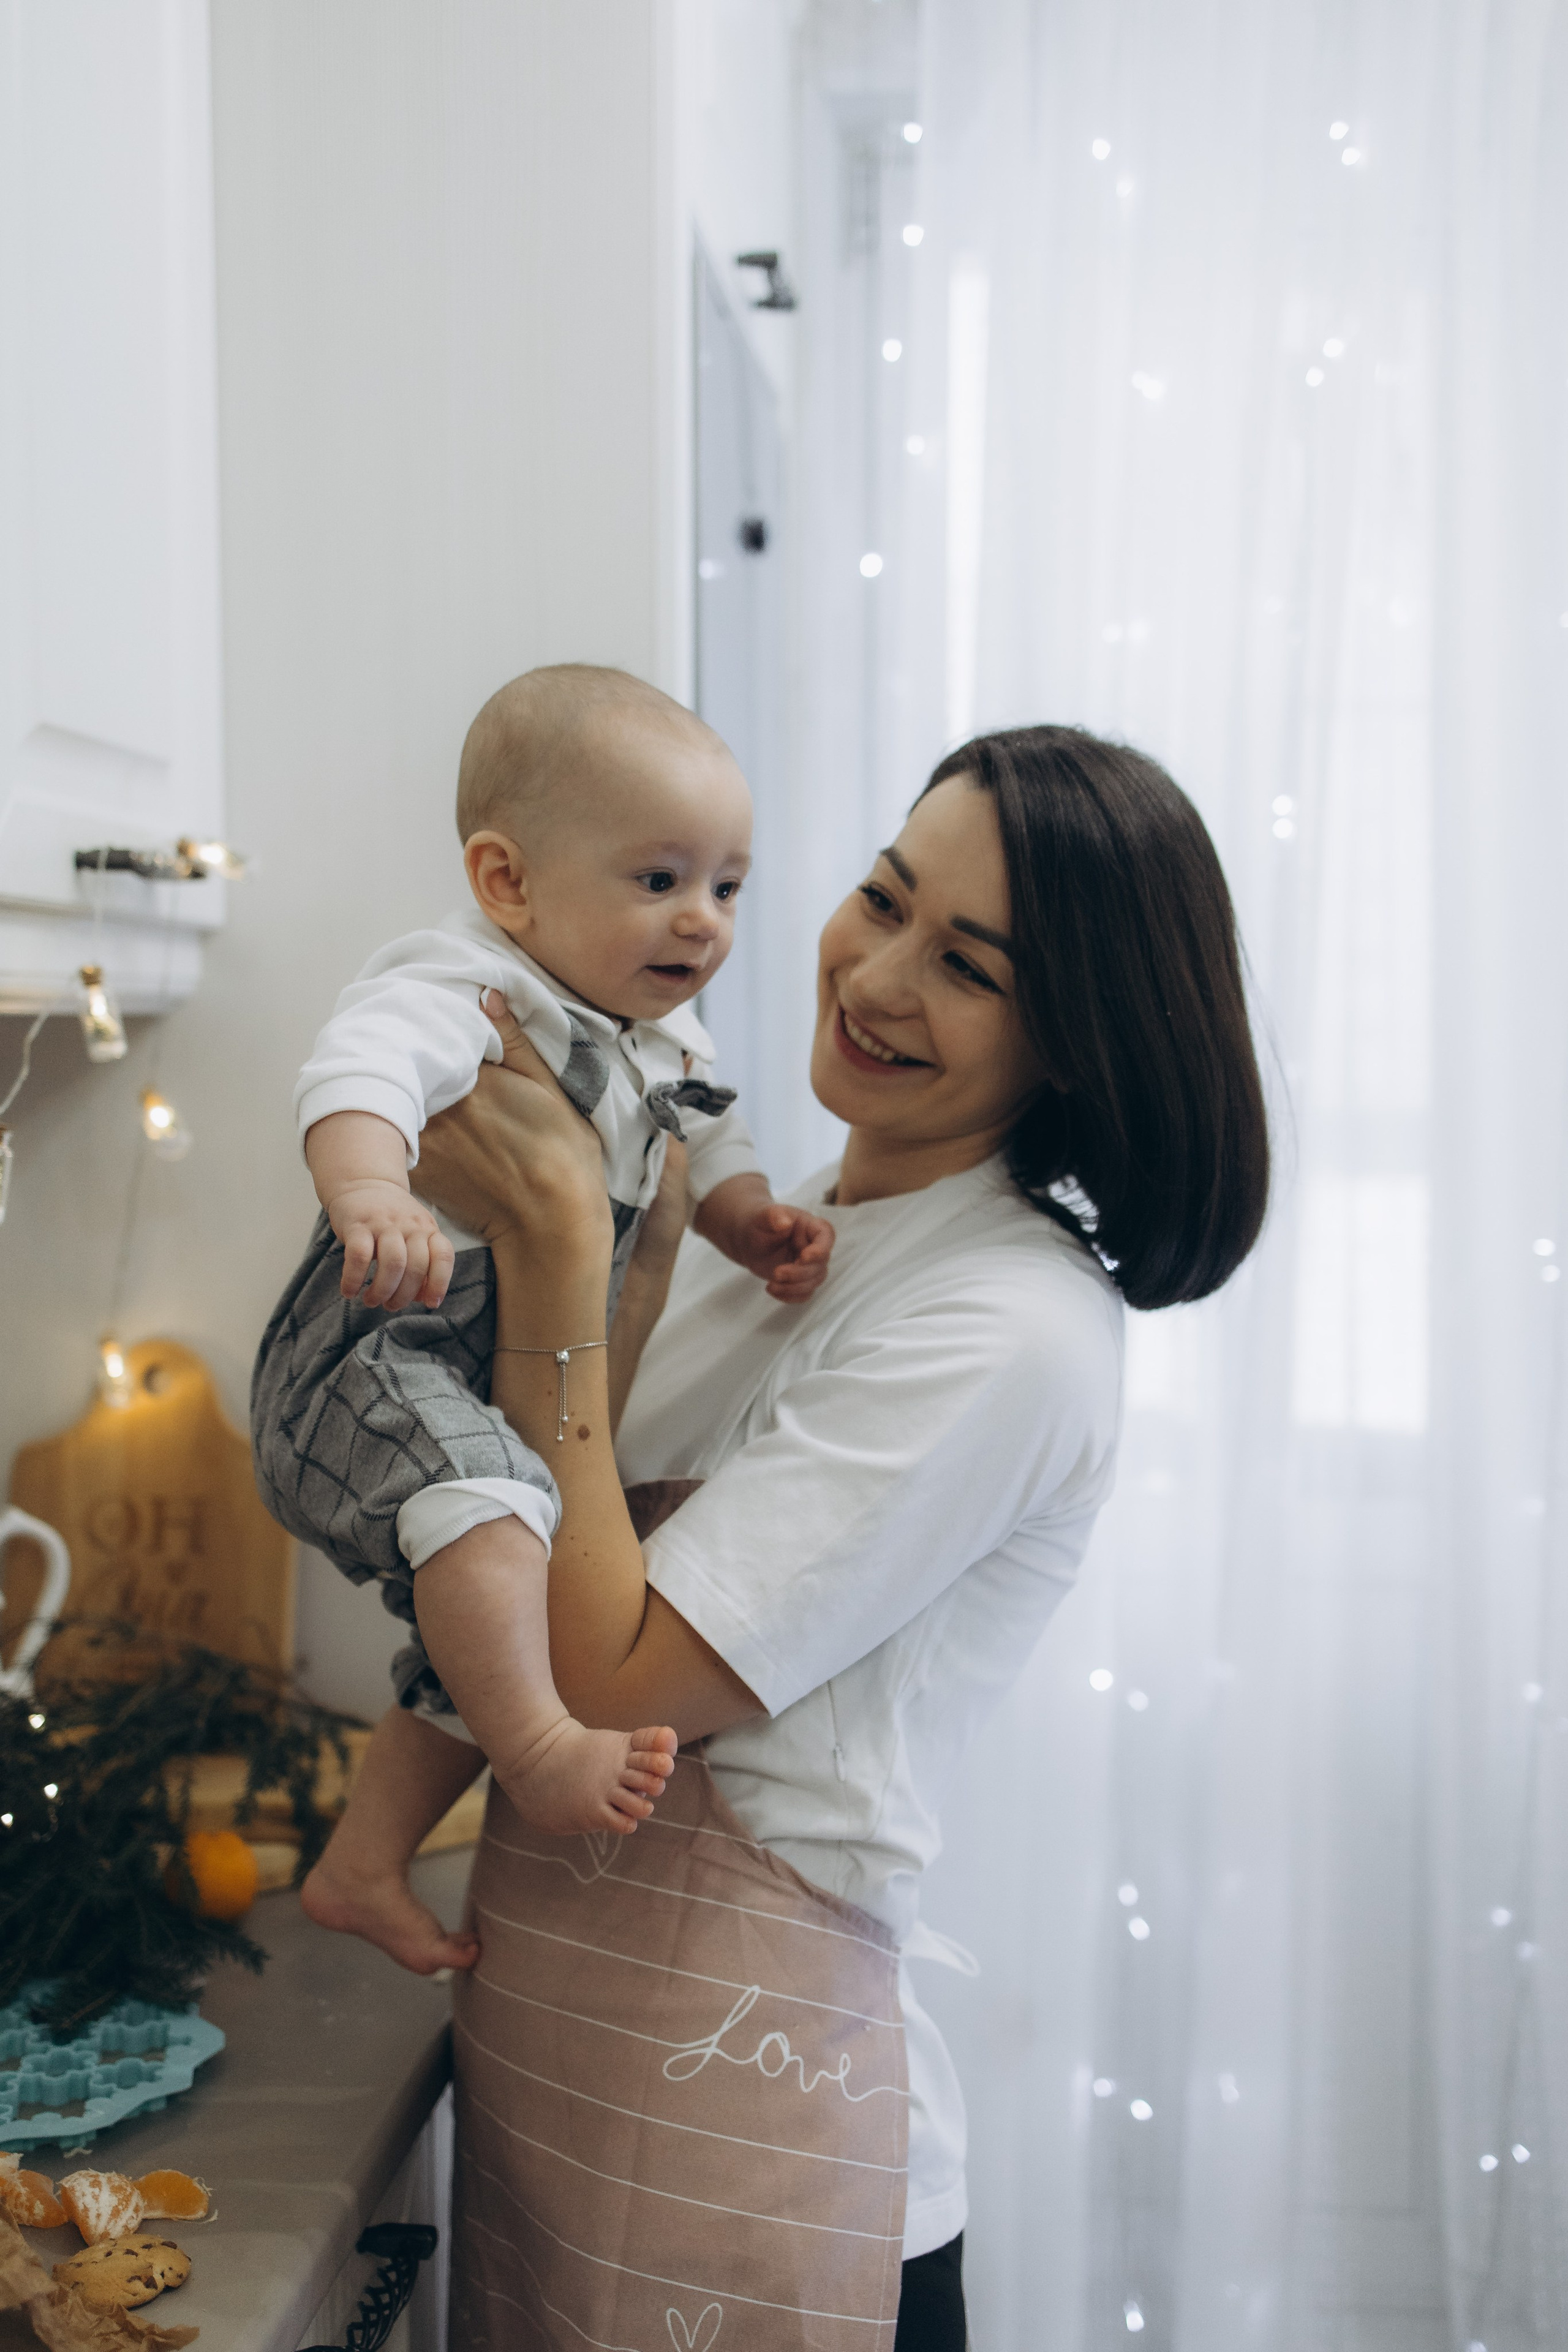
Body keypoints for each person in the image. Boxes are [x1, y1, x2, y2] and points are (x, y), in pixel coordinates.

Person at [402, 725, 1272, 2352]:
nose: (874, 976)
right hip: (558, 2088)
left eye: (969, 966)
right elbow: (533, 1527)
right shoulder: (795, 1228)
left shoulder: (1010, 1323)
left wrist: (552, 1245)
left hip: (757, 2158)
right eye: (883, 898)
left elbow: (604, 1676)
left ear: (1076, 1041)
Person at [250, 665, 834, 1972]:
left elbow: (713, 1130)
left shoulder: (660, 1034)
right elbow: (359, 1066)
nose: (704, 923)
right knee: (500, 1516)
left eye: (727, 886)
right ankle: (538, 1749)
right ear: (508, 882)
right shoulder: (465, 985)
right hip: (373, 1345)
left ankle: (362, 1861)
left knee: (496, 1596)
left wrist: (743, 1217)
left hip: (485, 1375)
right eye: (659, 879)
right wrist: (364, 1186)